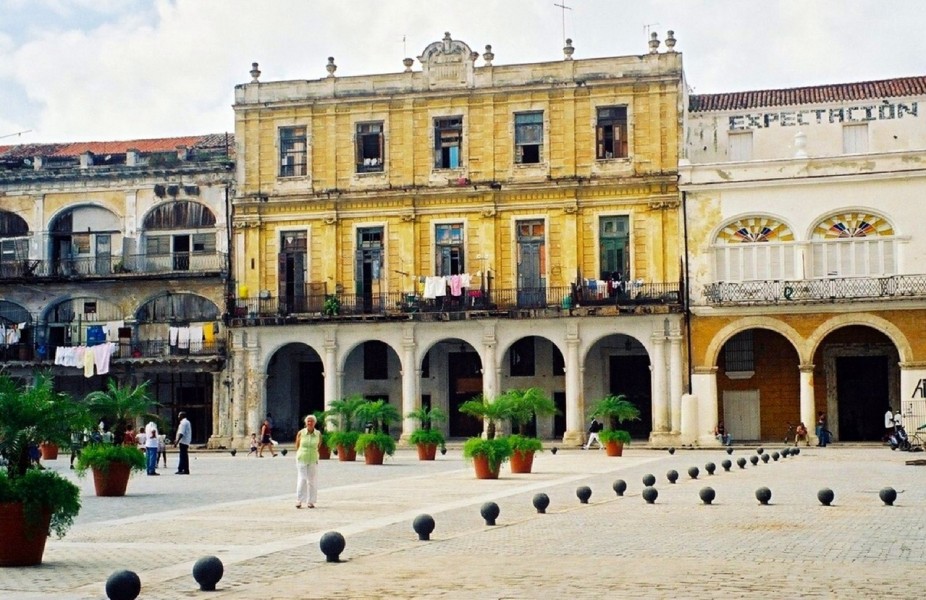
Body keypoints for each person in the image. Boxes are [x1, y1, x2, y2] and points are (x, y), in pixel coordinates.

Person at [294, 414, 321, 509]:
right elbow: (297, 445)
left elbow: (318, 445)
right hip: (302, 458)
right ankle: (299, 500)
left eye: (312, 421)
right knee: (302, 479)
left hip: (313, 458)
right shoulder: (301, 433)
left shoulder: (318, 434)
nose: (310, 423)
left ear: (315, 423)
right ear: (305, 423)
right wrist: (301, 453)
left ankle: (311, 501)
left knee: (312, 480)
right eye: (308, 421)